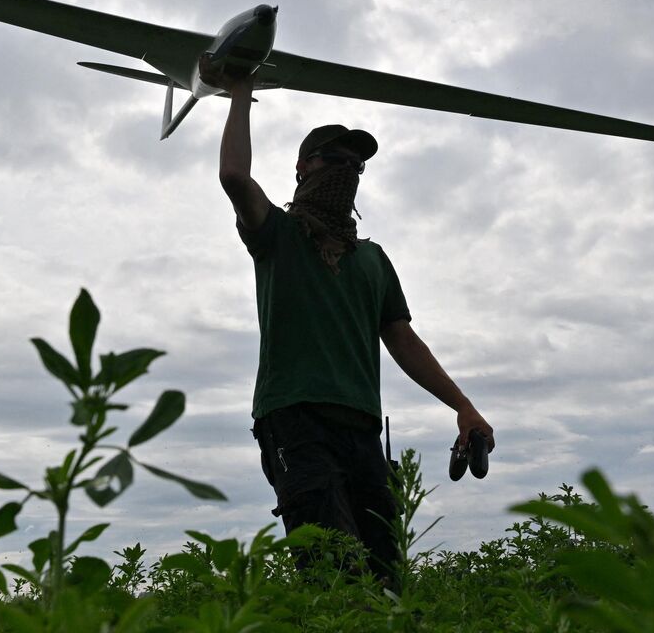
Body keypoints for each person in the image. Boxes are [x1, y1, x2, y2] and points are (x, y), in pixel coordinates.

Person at [211, 64, 495, 585]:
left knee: (387, 575)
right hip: (294, 419)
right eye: (333, 159)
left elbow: (404, 341)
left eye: (355, 165)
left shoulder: (373, 260)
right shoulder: (278, 235)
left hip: (362, 430)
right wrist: (239, 89)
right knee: (332, 571)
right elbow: (234, 177)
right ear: (302, 166)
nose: (346, 169)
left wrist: (464, 407)